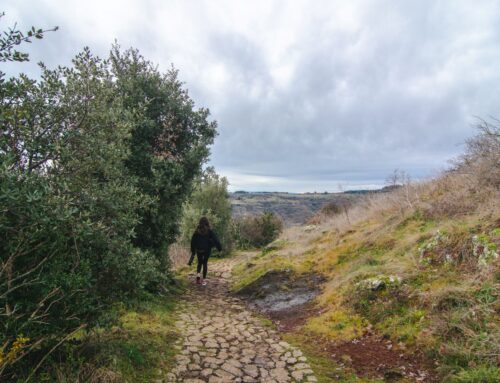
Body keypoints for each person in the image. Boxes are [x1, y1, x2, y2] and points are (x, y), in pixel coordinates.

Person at [188, 217, 222, 285]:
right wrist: (219, 248)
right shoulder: (209, 231)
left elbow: (192, 241)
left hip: (199, 250)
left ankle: (198, 279)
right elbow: (216, 240)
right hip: (207, 249)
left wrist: (193, 251)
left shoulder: (197, 231)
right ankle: (204, 280)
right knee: (205, 263)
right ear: (207, 222)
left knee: (200, 263)